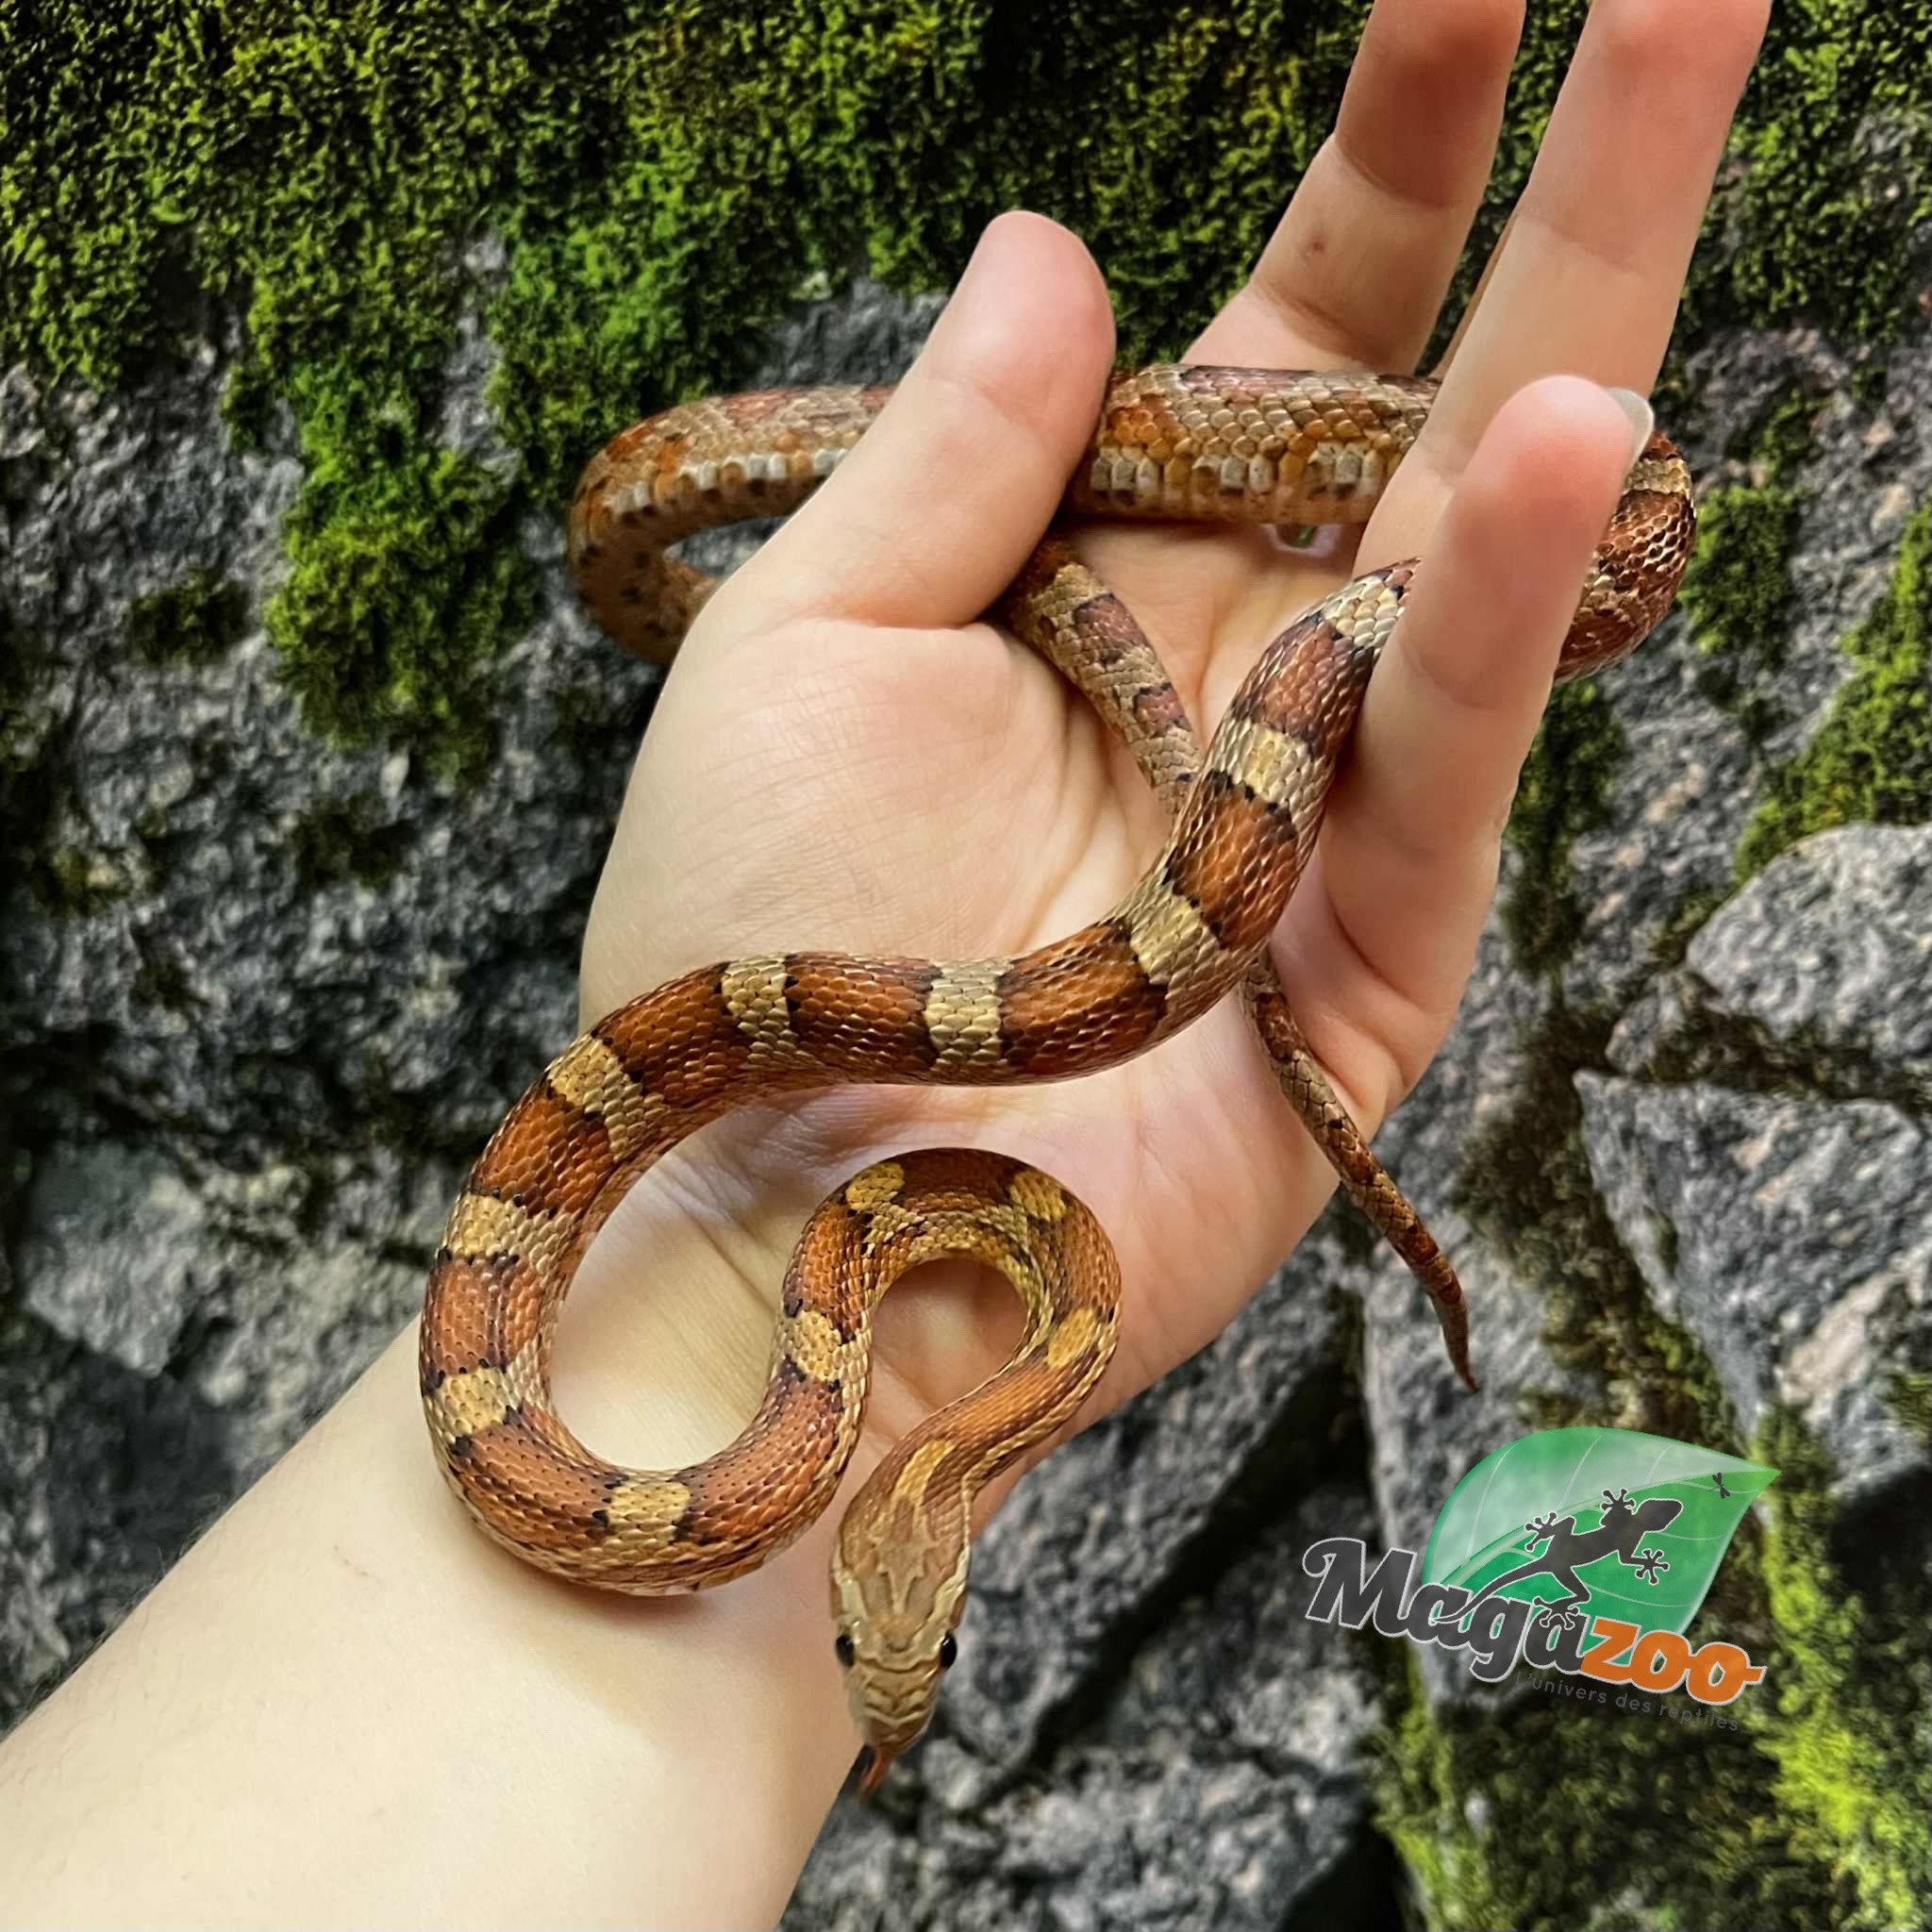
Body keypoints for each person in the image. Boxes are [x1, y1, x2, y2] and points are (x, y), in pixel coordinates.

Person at [0, 0, 1768, 1921]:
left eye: (861, 1666)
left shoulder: (966, 1311)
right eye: (879, 1666)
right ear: (887, 1559)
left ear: (865, 1560)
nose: (886, 1717)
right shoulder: (1019, 1311)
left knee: (1579, 508)